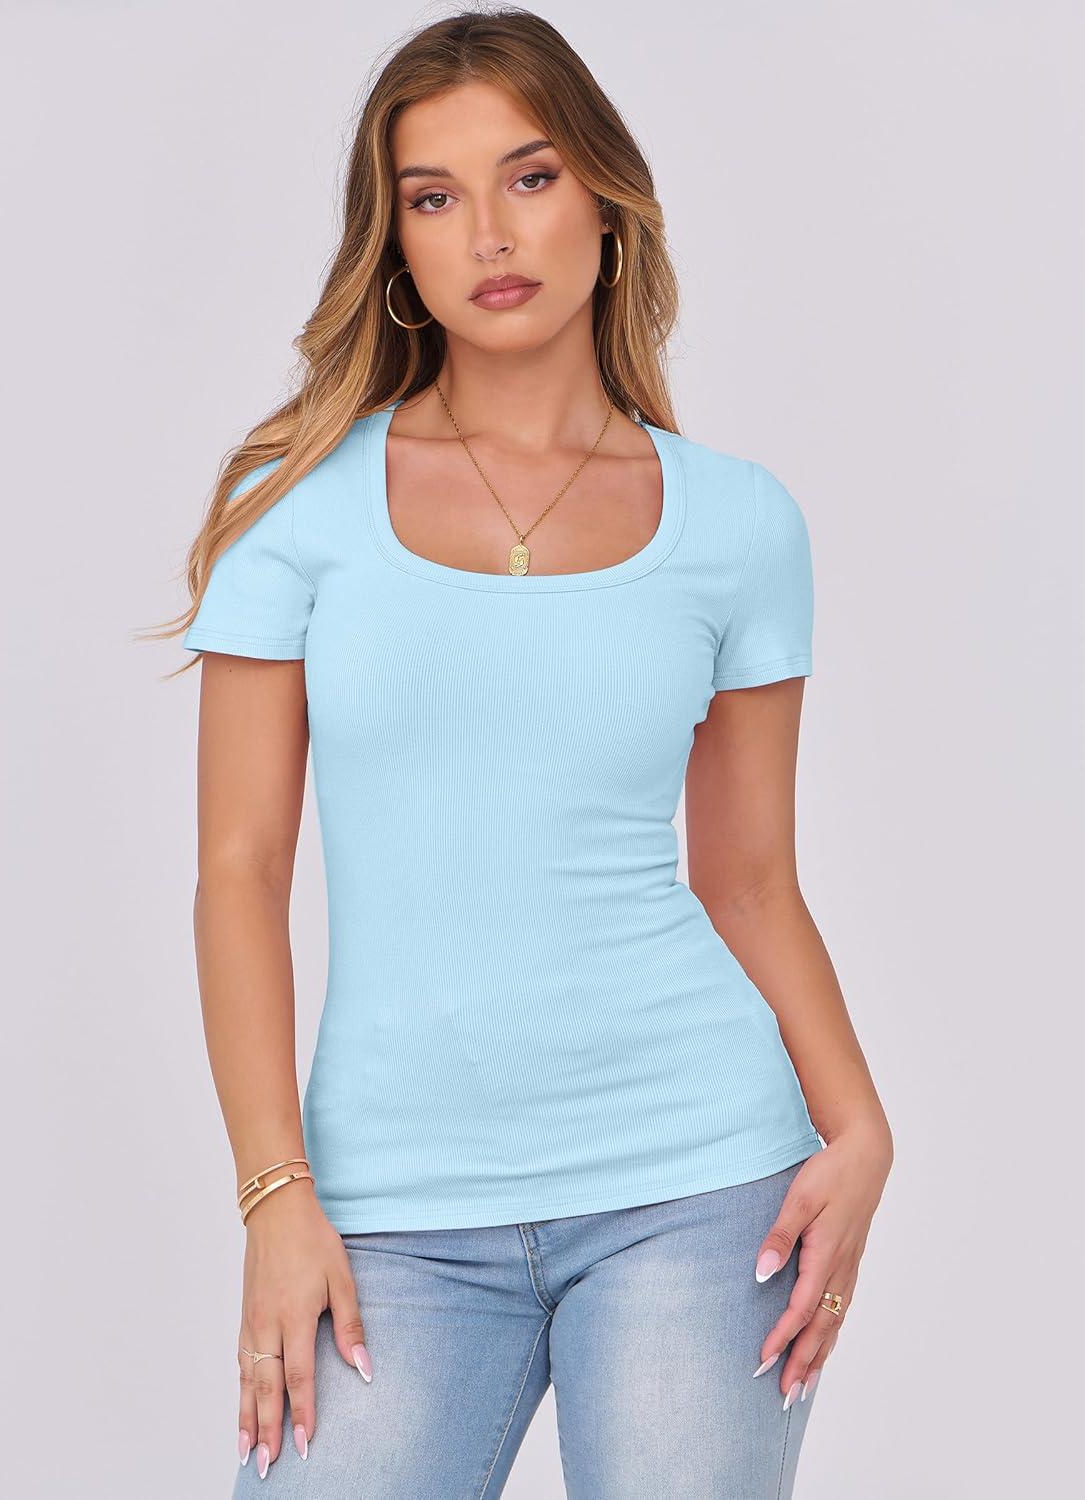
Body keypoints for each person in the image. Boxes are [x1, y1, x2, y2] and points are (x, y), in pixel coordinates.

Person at [161, 9, 893, 1495]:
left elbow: (749, 877)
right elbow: (238, 871)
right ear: (396, 245)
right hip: (388, 1209)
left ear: (608, 205)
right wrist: (274, 1195)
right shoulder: (294, 503)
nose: (489, 232)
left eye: (531, 176)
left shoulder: (738, 523)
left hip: (698, 1184)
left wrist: (860, 1125)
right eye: (433, 196)